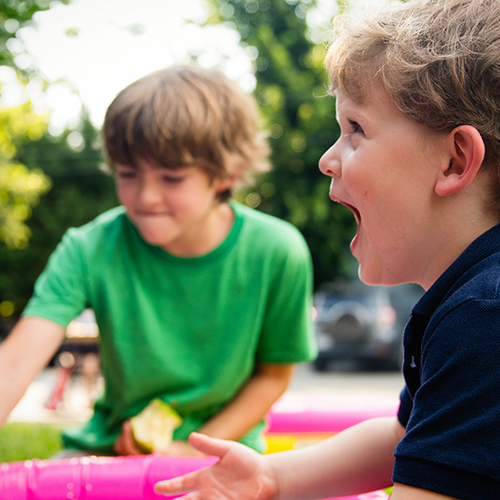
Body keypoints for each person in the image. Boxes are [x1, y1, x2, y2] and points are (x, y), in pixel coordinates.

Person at [154, 0, 500, 498]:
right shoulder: (468, 303)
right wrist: (272, 478)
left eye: (355, 130)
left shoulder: (484, 317)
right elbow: (407, 438)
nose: (326, 160)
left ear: (454, 160)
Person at [0, 64, 317, 457]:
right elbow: (13, 364)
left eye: (171, 178)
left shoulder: (278, 251)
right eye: (128, 173)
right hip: (109, 450)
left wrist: (192, 448)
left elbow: (273, 375)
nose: (145, 197)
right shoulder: (89, 248)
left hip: (225, 453)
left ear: (226, 174)